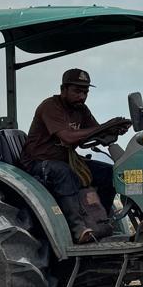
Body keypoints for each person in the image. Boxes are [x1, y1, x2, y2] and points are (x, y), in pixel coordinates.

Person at [20, 68, 132, 243]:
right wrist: (104, 126)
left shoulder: (81, 109)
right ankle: (78, 229)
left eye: (85, 92)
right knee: (63, 172)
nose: (82, 96)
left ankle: (99, 221)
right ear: (63, 89)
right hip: (38, 162)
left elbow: (96, 133)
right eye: (77, 91)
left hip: (64, 160)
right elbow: (67, 136)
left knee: (109, 173)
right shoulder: (50, 106)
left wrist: (114, 129)